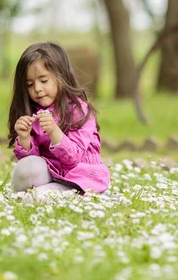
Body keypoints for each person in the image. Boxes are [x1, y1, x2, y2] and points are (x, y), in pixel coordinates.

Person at [7, 42, 110, 202]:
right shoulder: (33, 113)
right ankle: (25, 196)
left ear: (61, 76)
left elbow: (73, 158)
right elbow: (32, 163)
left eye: (43, 80)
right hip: (52, 174)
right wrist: (24, 138)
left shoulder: (79, 110)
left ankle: (85, 196)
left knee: (31, 200)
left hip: (78, 178)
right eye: (30, 84)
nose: (37, 89)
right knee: (24, 169)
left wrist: (54, 132)